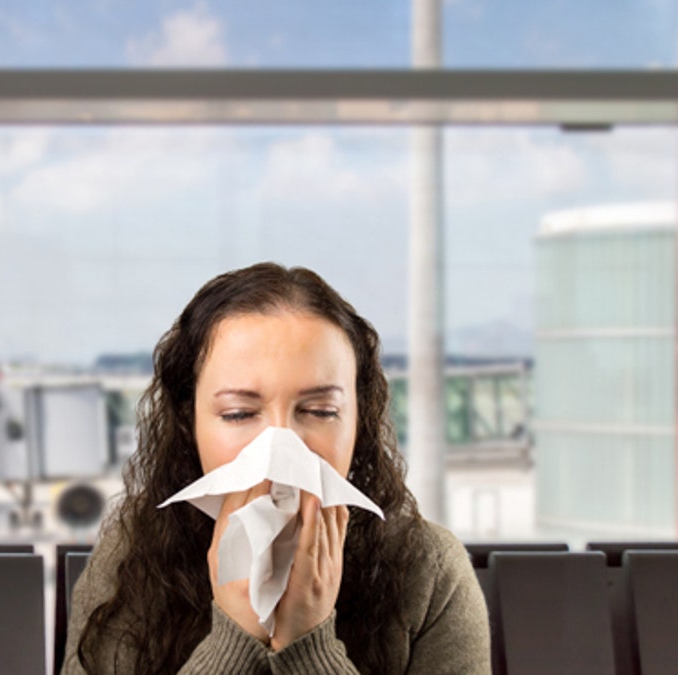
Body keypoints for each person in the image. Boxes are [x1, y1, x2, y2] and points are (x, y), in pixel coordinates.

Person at [62, 263, 489, 674]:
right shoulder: (132, 557)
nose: (280, 451)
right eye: (238, 413)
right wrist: (236, 634)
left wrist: (309, 644)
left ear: (360, 419)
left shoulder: (429, 570)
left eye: (320, 411)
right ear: (189, 420)